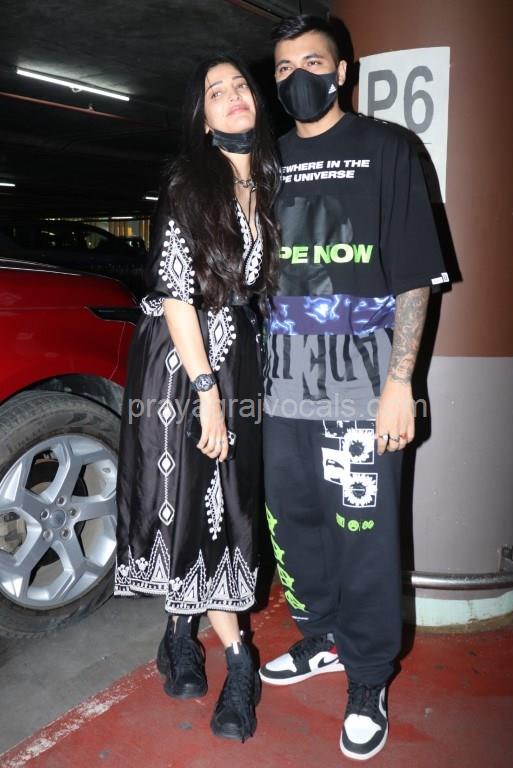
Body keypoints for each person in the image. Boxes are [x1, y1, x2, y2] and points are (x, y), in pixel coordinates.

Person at [259, 15, 449, 761]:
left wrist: (400, 382)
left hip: (360, 386)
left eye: (312, 62)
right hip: (280, 385)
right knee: (297, 523)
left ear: (341, 73)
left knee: (364, 534)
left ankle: (368, 677)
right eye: (284, 68)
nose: (297, 77)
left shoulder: (387, 149)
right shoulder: (267, 160)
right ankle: (322, 639)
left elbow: (414, 276)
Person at [114, 55, 280, 743]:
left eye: (241, 85)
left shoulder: (265, 181)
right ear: (203, 120)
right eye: (217, 92)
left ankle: (179, 630)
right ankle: (239, 662)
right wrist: (207, 391)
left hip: (235, 359)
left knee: (223, 499)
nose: (234, 95)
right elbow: (177, 293)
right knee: (193, 499)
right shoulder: (190, 181)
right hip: (184, 362)